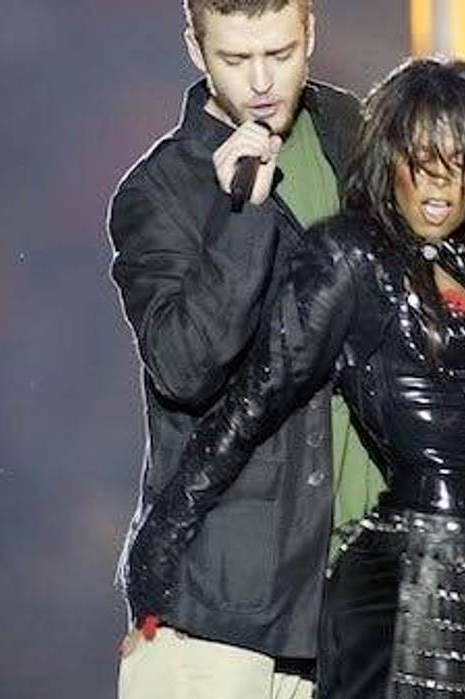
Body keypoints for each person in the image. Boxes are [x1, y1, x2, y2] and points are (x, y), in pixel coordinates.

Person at [126, 57, 465, 699]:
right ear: (390, 158)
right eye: (421, 159)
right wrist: (158, 551)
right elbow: (252, 404)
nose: (439, 183)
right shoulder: (349, 254)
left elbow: (461, 353)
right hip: (414, 579)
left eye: (460, 163)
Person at [106, 1, 383, 697]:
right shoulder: (162, 192)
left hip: (355, 612)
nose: (261, 81)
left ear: (310, 33)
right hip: (220, 614)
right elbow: (184, 367)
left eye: (279, 54)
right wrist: (241, 214)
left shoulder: (355, 137)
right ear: (195, 50)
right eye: (235, 59)